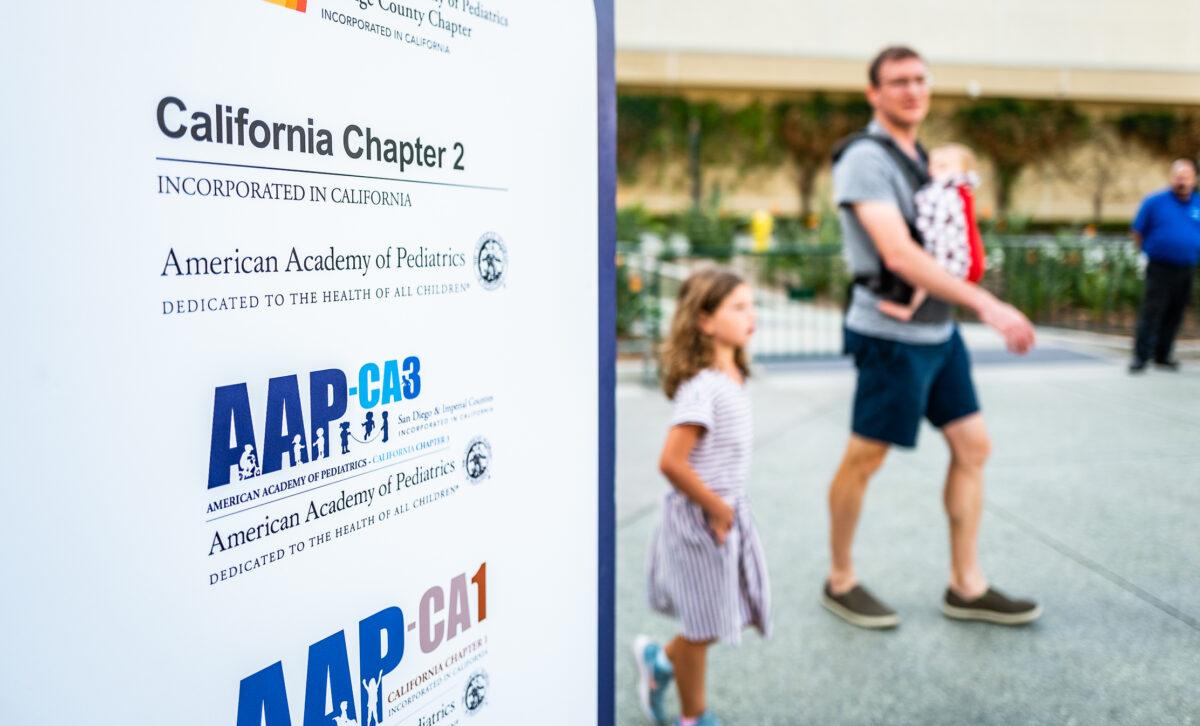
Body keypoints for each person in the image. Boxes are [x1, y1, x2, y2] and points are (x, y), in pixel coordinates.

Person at [824, 45, 1040, 630]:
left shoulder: (923, 157)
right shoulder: (865, 160)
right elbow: (897, 252)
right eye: (897, 81)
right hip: (890, 336)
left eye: (920, 79)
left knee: (973, 447)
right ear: (874, 93)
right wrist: (986, 303)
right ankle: (840, 579)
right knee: (866, 457)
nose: (912, 90)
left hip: (938, 332)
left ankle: (966, 586)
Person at [634, 268, 771, 726]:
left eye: (752, 305)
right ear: (705, 321)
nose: (751, 315)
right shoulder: (704, 388)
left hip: (720, 515)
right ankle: (695, 717)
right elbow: (671, 462)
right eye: (738, 307)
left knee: (709, 621)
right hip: (699, 521)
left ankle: (658, 661)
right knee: (703, 626)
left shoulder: (734, 374)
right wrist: (716, 507)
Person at [876, 143, 986, 321]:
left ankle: (911, 310)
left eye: (943, 166)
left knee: (923, 278)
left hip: (948, 253)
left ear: (962, 170)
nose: (934, 170)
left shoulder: (944, 190)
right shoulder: (962, 191)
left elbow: (924, 208)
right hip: (962, 255)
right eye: (932, 165)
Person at [1129, 158, 1200, 373]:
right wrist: (1148, 252)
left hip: (1186, 267)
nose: (1182, 181)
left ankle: (1163, 354)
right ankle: (1141, 357)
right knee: (1152, 310)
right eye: (1178, 176)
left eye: (1186, 177)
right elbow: (1137, 231)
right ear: (1171, 178)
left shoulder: (1197, 203)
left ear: (1194, 180)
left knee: (1175, 312)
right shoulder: (1155, 202)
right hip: (1160, 267)